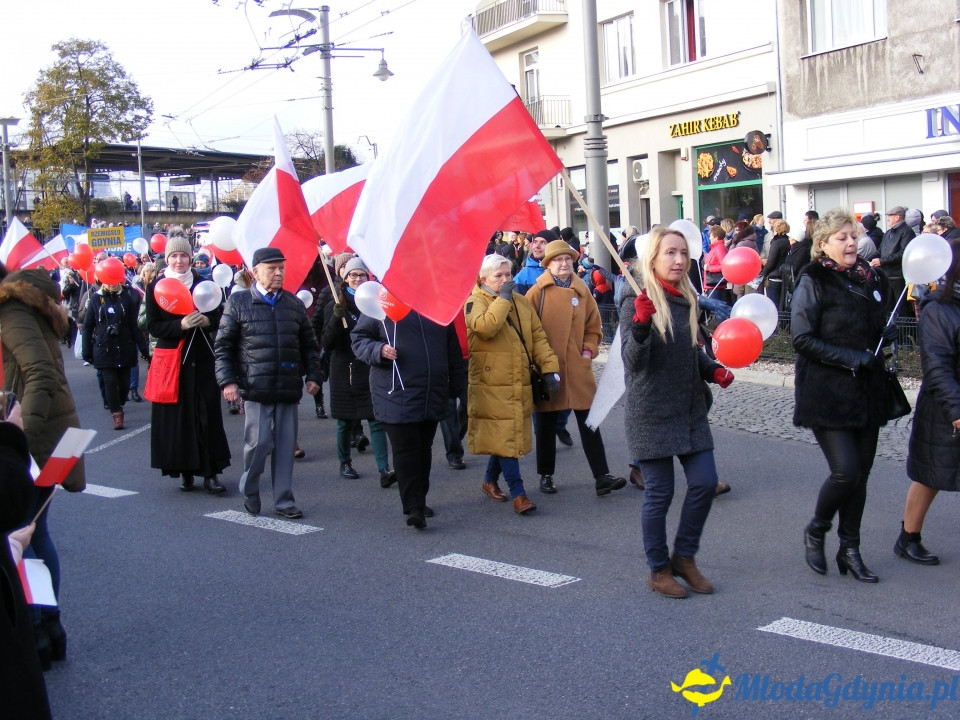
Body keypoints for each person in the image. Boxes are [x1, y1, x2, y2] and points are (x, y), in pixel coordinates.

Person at [619, 227, 734, 598]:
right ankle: (658, 569)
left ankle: (684, 557)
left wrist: (711, 368)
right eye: (670, 253)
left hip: (688, 408)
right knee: (660, 494)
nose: (679, 260)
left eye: (683, 253)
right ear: (652, 257)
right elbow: (633, 363)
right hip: (651, 409)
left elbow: (689, 350)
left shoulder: (687, 297)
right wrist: (639, 325)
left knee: (703, 482)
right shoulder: (634, 299)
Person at [792, 208, 893, 583]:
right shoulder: (813, 279)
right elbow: (802, 339)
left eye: (853, 236)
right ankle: (817, 527)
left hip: (866, 391)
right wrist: (853, 358)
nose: (851, 243)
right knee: (845, 471)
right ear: (823, 244)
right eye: (842, 237)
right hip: (827, 392)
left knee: (861, 476)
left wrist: (888, 331)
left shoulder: (871, 278)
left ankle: (850, 549)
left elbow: (876, 323)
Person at [0, 265, 86, 671]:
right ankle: (49, 630)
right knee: (37, 532)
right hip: (55, 433)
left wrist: (18, 444)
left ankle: (36, 631)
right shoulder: (26, 302)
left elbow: (40, 374)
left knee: (22, 533)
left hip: (37, 435)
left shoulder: (11, 309)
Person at [214, 247, 323, 519]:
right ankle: (250, 488)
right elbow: (224, 346)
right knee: (259, 444)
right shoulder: (239, 303)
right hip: (256, 387)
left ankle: (284, 500)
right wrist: (227, 381)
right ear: (255, 272)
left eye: (281, 268)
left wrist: (314, 375)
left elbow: (309, 346)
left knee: (286, 448)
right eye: (271, 268)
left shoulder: (293, 304)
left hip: (287, 386)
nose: (278, 273)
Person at [526, 240, 626, 497]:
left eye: (568, 259)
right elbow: (527, 331)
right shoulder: (537, 293)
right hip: (548, 368)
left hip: (578, 369)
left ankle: (602, 476)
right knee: (546, 425)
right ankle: (545, 475)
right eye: (558, 259)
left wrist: (587, 350)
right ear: (547, 264)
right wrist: (538, 362)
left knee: (590, 422)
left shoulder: (582, 291)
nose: (564, 263)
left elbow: (595, 327)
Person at [351, 309, 466, 529]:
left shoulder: (436, 305)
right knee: (406, 450)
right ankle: (413, 507)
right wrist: (379, 349)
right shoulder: (383, 302)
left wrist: (459, 387)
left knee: (424, 448)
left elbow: (452, 350)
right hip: (395, 391)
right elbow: (359, 339)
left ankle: (419, 500)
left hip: (431, 391)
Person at [464, 254, 560, 515]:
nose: (507, 280)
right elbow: (485, 327)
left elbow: (538, 337)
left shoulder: (521, 302)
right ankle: (519, 494)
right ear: (483, 279)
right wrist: (503, 299)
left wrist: (550, 370)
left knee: (505, 435)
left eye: (508, 275)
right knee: (506, 436)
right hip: (490, 384)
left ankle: (489, 480)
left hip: (518, 381)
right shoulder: (474, 302)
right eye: (499, 276)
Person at [146, 236, 231, 494]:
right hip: (173, 361)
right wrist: (179, 326)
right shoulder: (156, 287)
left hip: (202, 358)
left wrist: (208, 321)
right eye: (174, 256)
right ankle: (184, 471)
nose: (179, 261)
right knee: (179, 418)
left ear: (191, 258)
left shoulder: (204, 284)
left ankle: (211, 473)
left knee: (208, 414)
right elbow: (152, 325)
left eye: (184, 256)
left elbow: (219, 314)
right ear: (167, 259)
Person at [895, 241, 960, 566]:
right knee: (931, 475)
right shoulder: (939, 310)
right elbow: (937, 366)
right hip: (945, 406)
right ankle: (909, 537)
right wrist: (957, 411)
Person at [321, 258, 394, 487]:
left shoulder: (376, 301)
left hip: (367, 365)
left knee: (376, 419)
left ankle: (384, 468)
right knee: (344, 420)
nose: (358, 279)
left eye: (362, 275)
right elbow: (327, 341)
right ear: (345, 278)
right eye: (353, 275)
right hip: (342, 366)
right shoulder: (334, 302)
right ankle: (344, 462)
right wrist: (335, 317)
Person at [0, 410, 52, 719]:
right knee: (33, 541)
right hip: (33, 447)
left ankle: (46, 623)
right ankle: (41, 625)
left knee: (37, 538)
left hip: (39, 446)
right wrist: (10, 436)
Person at [81, 269, 149, 430]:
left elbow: (134, 326)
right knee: (110, 382)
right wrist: (86, 351)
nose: (111, 284)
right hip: (104, 349)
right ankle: (116, 414)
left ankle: (120, 403)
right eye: (108, 280)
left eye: (114, 280)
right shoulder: (96, 300)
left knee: (124, 385)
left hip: (125, 348)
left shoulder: (126, 298)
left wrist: (145, 350)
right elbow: (88, 326)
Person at [871, 205, 915, 315]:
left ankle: (904, 332)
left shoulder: (907, 232)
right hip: (886, 275)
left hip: (898, 276)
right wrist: (865, 259)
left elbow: (903, 252)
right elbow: (880, 250)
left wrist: (882, 261)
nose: (887, 219)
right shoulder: (887, 233)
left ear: (897, 217)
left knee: (901, 308)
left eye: (890, 216)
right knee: (888, 306)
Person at [758, 219, 791, 310]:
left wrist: (763, 273)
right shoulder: (788, 241)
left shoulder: (776, 243)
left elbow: (771, 262)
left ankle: (777, 323)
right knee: (782, 305)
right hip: (784, 276)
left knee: (774, 305)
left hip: (774, 277)